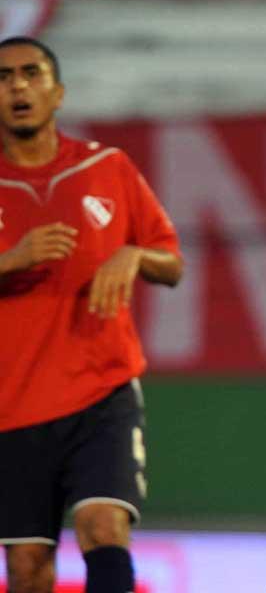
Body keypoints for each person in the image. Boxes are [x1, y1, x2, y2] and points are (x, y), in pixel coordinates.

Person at [0, 37, 182, 593]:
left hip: (101, 392)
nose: (18, 86)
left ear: (58, 93)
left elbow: (171, 264)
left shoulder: (108, 167)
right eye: (4, 77)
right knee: (29, 567)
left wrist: (132, 253)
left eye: (32, 74)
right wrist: (12, 260)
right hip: (12, 405)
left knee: (103, 526)